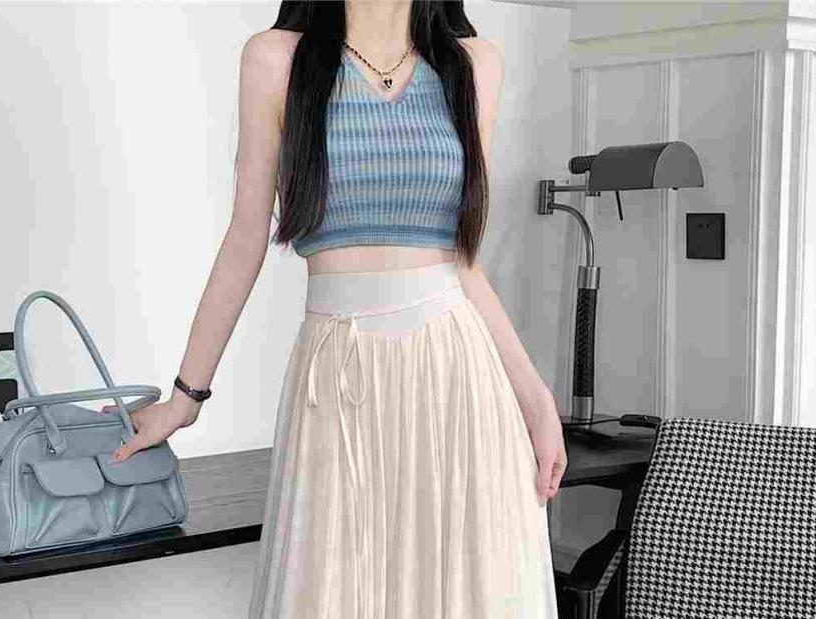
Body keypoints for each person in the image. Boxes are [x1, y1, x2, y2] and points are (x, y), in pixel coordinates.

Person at [100, 1, 568, 616]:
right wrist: (185, 399)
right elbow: (245, 237)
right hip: (336, 376)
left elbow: (463, 263)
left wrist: (536, 402)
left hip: (457, 379)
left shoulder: (475, 64)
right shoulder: (276, 60)